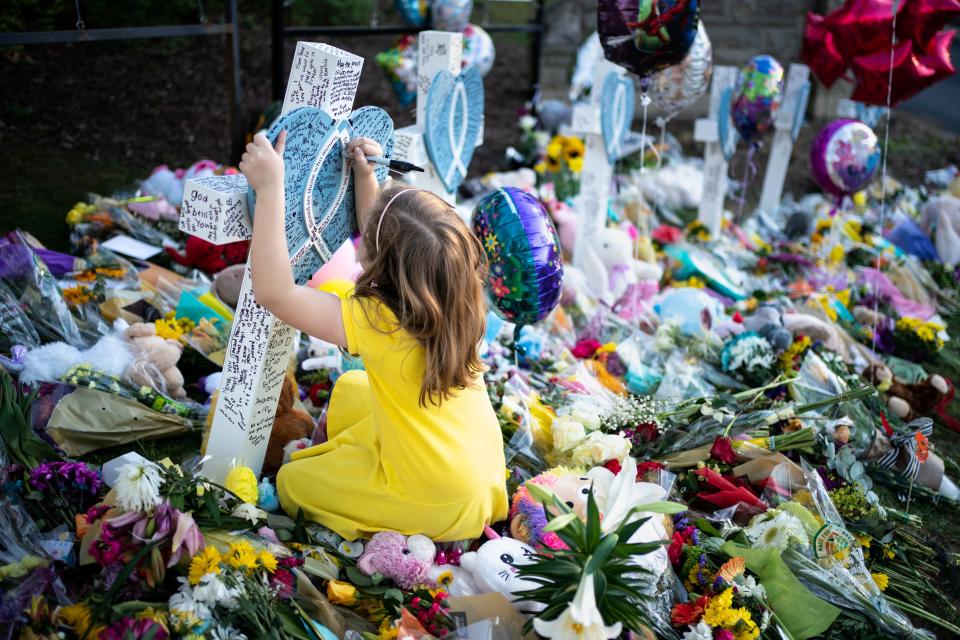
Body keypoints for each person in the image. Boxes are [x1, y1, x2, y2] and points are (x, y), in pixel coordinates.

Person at [240, 132, 508, 541]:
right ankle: (371, 464)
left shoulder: (380, 322)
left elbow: (275, 292)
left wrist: (271, 187)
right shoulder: (458, 299)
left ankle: (387, 495)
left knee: (295, 482)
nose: (361, 244)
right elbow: (394, 244)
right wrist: (369, 180)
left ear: (382, 266)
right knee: (350, 388)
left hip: (437, 497)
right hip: (478, 468)